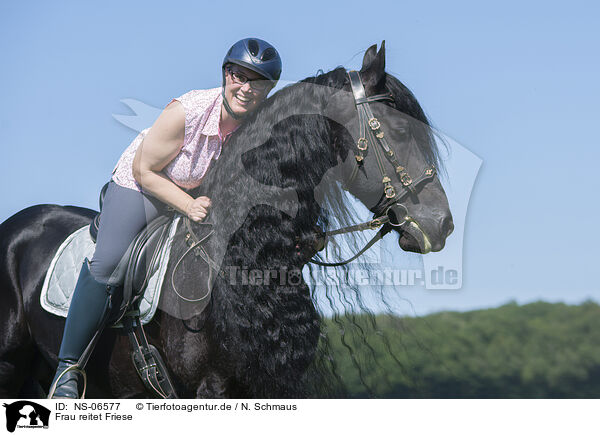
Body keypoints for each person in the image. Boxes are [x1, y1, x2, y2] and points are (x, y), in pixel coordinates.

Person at [48, 38, 282, 398]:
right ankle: (68, 370)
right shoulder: (187, 111)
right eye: (239, 75)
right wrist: (187, 206)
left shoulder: (257, 127)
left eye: (259, 82)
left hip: (196, 195)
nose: (246, 88)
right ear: (225, 74)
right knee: (110, 264)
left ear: (268, 90)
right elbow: (145, 169)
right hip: (144, 187)